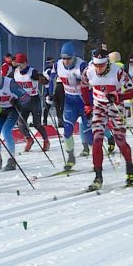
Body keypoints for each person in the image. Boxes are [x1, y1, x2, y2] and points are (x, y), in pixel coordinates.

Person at [81, 49, 133, 191]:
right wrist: (87, 104)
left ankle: (130, 167)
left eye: (101, 65)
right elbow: (83, 87)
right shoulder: (88, 71)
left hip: (115, 106)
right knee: (97, 139)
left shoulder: (118, 72)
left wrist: (118, 96)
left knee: (120, 140)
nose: (98, 68)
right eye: (96, 65)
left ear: (107, 63)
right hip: (99, 106)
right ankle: (98, 176)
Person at [48, 41, 93, 170]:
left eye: (69, 58)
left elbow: (92, 83)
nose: (66, 61)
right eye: (64, 58)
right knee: (67, 131)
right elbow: (52, 79)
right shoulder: (58, 65)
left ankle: (95, 159)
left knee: (88, 134)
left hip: (83, 101)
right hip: (70, 101)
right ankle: (70, 157)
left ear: (74, 56)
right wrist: (50, 94)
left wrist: (89, 103)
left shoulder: (82, 65)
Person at [13, 52, 50, 152]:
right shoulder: (15, 72)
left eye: (21, 63)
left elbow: (45, 81)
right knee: (21, 123)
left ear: (26, 62)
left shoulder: (32, 71)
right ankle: (29, 139)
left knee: (37, 124)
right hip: (22, 101)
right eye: (18, 63)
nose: (19, 65)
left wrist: (41, 78)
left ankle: (46, 140)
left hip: (34, 100)